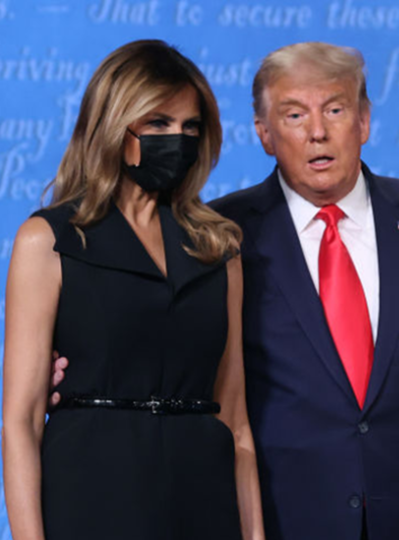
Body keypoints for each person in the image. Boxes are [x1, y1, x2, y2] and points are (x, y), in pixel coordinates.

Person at [209, 42, 399, 540]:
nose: (318, 131)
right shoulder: (222, 235)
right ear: (264, 135)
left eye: (334, 109)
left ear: (364, 121)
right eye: (294, 115)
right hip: (284, 524)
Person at [2, 40, 265, 540]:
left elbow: (237, 424)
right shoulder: (51, 240)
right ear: (113, 125)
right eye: (159, 124)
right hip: (90, 496)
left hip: (203, 501)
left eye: (190, 127)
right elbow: (20, 421)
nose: (179, 140)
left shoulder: (218, 249)